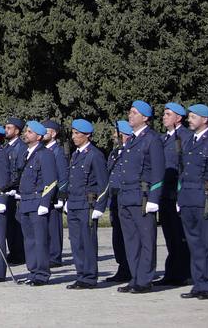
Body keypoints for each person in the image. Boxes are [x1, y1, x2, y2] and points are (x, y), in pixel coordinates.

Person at [112, 101, 164, 294]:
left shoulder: (152, 139)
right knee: (131, 240)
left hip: (142, 196)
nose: (130, 115)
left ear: (145, 117)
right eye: (130, 112)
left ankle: (145, 279)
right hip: (126, 196)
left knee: (146, 239)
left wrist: (153, 198)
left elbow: (158, 172)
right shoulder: (132, 140)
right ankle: (135, 277)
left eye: (134, 113)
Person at [177, 104, 208, 301]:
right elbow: (183, 171)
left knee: (207, 244)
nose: (189, 119)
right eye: (189, 116)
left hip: (204, 198)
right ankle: (198, 283)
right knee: (194, 244)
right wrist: (180, 196)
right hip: (188, 198)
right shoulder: (189, 141)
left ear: (205, 119)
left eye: (194, 116)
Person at [65, 118, 107, 289]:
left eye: (77, 134)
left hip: (87, 204)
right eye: (73, 133)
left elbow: (103, 183)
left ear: (87, 135)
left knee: (88, 242)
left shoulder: (94, 155)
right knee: (76, 242)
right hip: (74, 202)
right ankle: (81, 274)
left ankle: (89, 277)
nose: (74, 137)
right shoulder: (76, 154)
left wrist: (100, 206)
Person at [17, 119, 59, 286]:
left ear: (39, 137)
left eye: (29, 132)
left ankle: (41, 273)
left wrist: (45, 202)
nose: (26, 134)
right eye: (26, 131)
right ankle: (33, 271)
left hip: (37, 202)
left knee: (40, 239)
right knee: (29, 240)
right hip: (26, 201)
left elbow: (51, 181)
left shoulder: (45, 154)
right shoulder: (27, 153)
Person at [158, 103, 190, 285]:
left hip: (176, 194)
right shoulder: (163, 139)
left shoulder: (185, 137)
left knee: (180, 237)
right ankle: (172, 273)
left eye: (168, 114)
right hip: (164, 194)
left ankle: (181, 273)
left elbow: (184, 168)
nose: (164, 117)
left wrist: (180, 193)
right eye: (164, 114)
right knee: (170, 237)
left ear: (178, 118)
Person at [103, 123, 132, 285]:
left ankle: (130, 268)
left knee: (127, 236)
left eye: (117, 132)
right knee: (118, 237)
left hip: (126, 198)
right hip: (115, 200)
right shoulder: (114, 153)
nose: (114, 135)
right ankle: (123, 266)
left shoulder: (130, 151)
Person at [41, 120, 68, 268]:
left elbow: (63, 176)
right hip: (45, 195)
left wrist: (61, 196)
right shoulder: (44, 151)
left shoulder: (57, 151)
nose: (43, 133)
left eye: (46, 131)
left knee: (54, 227)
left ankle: (55, 256)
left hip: (55, 195)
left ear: (53, 133)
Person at [2, 117, 27, 265]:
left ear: (17, 131)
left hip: (16, 191)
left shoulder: (21, 147)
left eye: (9, 128)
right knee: (9, 224)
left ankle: (19, 253)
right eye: (6, 127)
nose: (6, 130)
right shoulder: (7, 147)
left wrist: (15, 188)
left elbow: (20, 170)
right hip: (7, 190)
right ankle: (13, 252)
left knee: (17, 224)